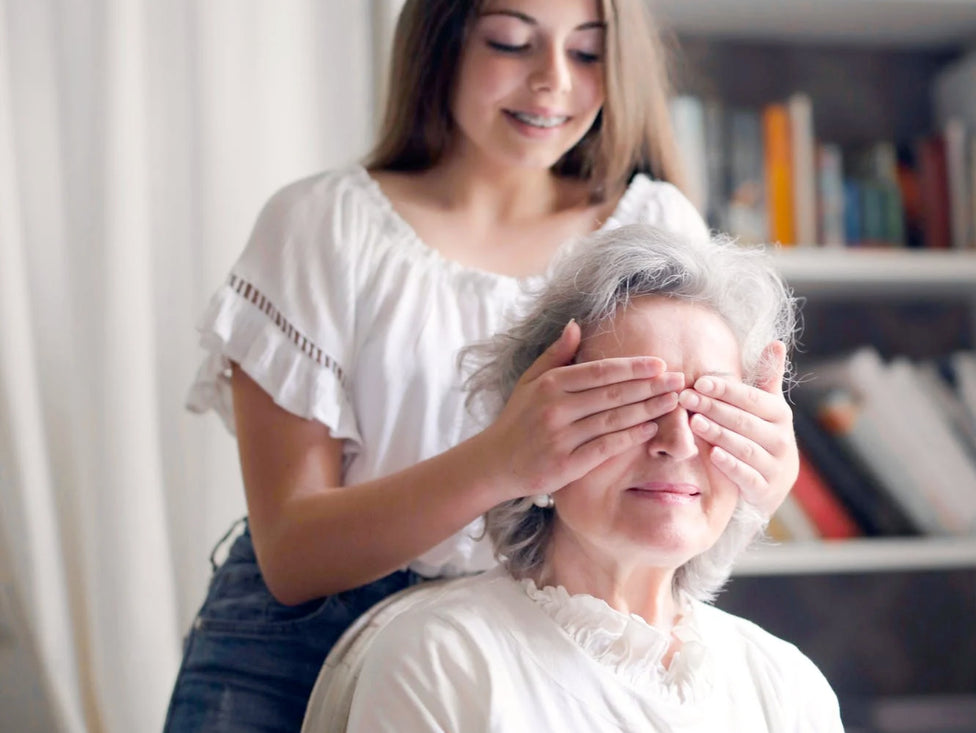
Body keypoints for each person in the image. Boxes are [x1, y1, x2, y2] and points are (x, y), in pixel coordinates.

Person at [163, 1, 801, 730]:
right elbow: (291, 553)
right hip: (295, 649)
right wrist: (501, 462)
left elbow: (673, 495)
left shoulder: (655, 223)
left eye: (589, 54)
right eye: (510, 42)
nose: (552, 82)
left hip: (539, 642)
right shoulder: (322, 225)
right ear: (441, 42)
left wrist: (760, 479)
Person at [342, 223, 840, 732]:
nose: (678, 441)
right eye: (631, 403)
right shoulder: (443, 663)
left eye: (713, 408)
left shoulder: (788, 688)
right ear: (536, 435)